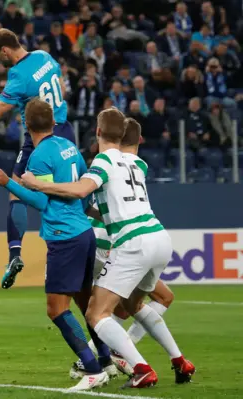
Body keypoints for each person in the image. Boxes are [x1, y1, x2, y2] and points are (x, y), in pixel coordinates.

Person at [22, 108, 195, 389]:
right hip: (159, 237)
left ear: (98, 133)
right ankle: (179, 361)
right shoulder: (137, 164)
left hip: (132, 243)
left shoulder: (102, 163)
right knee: (134, 305)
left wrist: (36, 184)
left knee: (96, 314)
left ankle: (140, 368)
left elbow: (79, 191)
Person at [0, 98, 114, 391]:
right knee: (85, 303)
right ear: (54, 121)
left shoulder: (39, 156)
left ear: (25, 124)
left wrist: (9, 182)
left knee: (56, 309)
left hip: (63, 236)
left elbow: (42, 201)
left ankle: (92, 369)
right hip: (84, 233)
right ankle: (106, 359)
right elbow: (84, 186)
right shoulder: (69, 147)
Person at [0, 28, 75, 290]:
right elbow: (62, 88)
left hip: (39, 138)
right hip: (65, 131)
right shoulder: (44, 56)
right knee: (69, 194)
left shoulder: (17, 75)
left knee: (17, 194)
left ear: (5, 50)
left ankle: (15, 255)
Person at [70, 119, 177, 379]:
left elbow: (87, 199)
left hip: (107, 239)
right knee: (124, 306)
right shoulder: (134, 165)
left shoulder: (105, 163)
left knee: (124, 305)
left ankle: (107, 354)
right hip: (113, 244)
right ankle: (106, 354)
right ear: (138, 141)